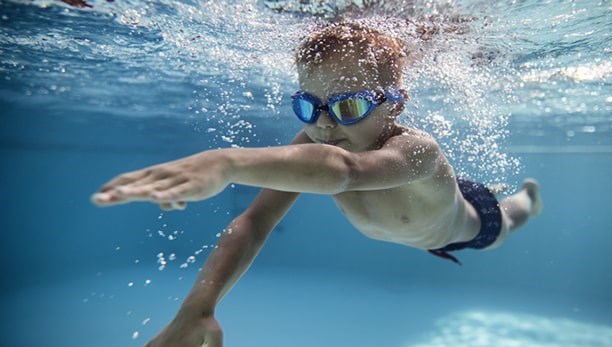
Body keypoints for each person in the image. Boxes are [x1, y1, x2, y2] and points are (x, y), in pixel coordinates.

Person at [92, 21, 542, 347]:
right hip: (414, 214)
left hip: (465, 223)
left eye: (348, 107)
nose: (324, 125)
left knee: (508, 220)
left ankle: (527, 197)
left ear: (396, 106)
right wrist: (199, 306)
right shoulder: (315, 142)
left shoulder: (416, 150)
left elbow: (345, 170)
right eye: (311, 106)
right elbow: (253, 222)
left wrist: (226, 163)